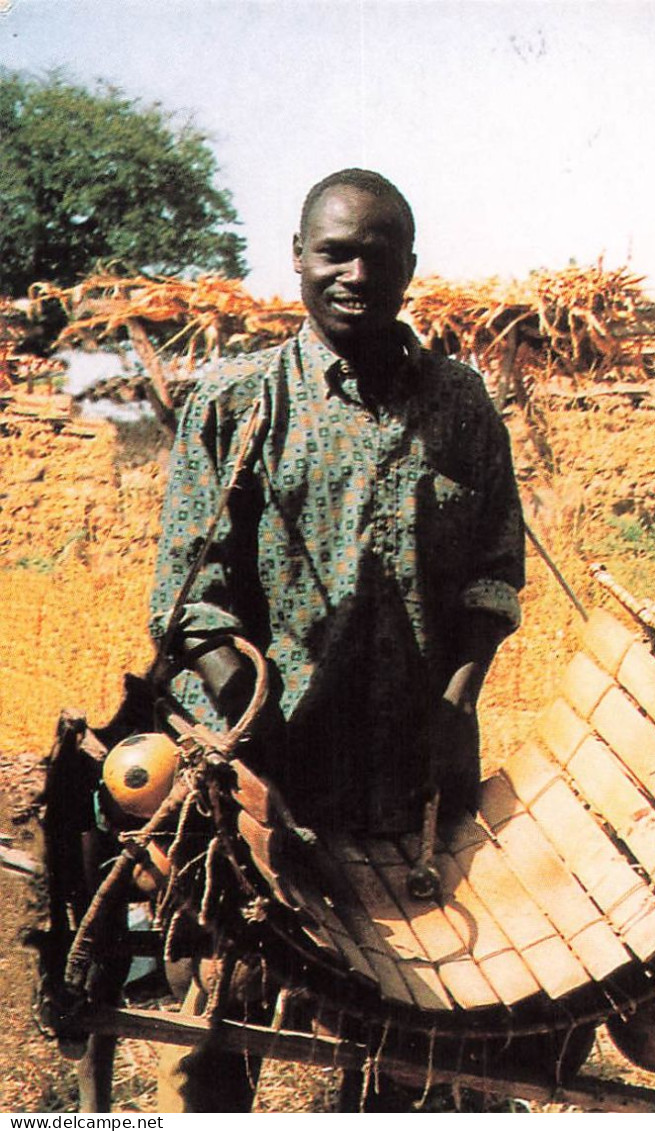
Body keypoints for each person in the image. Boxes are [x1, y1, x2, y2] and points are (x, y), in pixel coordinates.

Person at [147, 168, 526, 1110]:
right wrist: (249, 713)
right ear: (297, 261)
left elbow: (493, 574)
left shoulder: (460, 407)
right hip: (256, 776)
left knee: (400, 1029)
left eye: (377, 251)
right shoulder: (238, 404)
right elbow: (188, 602)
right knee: (221, 1020)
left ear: (410, 266)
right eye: (334, 251)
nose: (355, 271)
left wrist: (457, 698)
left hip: (407, 781)